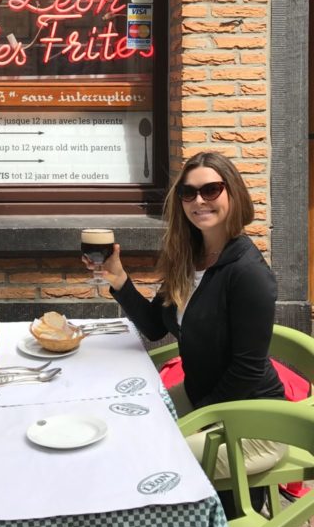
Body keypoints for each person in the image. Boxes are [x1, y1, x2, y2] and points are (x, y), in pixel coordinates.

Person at [85, 151, 286, 480]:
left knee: (147, 459)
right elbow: (154, 326)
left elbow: (247, 370)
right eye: (188, 192)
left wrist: (196, 420)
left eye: (211, 190)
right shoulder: (191, 257)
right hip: (202, 396)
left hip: (253, 421)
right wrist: (118, 278)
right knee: (120, 429)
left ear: (233, 193)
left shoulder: (248, 274)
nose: (199, 201)